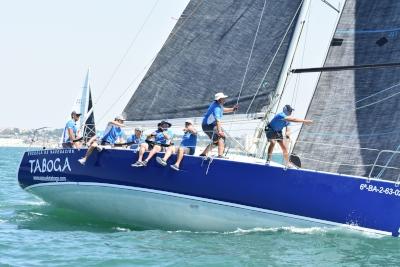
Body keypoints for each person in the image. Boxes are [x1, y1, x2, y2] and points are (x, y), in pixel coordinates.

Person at [200, 92, 238, 158]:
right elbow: (218, 121)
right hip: (208, 126)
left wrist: (233, 109)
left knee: (216, 142)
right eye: (223, 98)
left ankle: (203, 154)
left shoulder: (218, 105)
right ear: (219, 99)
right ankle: (220, 155)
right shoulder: (216, 108)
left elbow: (223, 110)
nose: (225, 99)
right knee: (221, 137)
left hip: (207, 125)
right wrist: (220, 132)